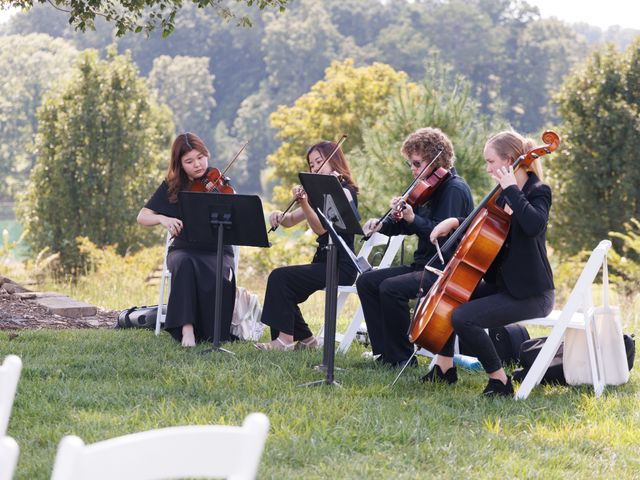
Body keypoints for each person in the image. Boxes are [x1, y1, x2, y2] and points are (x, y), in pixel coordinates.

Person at [425, 130, 555, 396]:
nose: (487, 168)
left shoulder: (537, 190)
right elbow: (485, 227)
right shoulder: (503, 194)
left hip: (531, 293)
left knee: (463, 318)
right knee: (451, 298)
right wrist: (454, 223)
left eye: (491, 162)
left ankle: (500, 381)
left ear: (509, 160)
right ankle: (444, 368)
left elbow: (534, 225)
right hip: (504, 285)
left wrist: (511, 190)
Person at [356, 127, 474, 368]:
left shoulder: (454, 189)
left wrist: (412, 219)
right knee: (367, 282)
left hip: (444, 269)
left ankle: (402, 358)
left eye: (417, 163)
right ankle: (385, 353)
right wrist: (382, 224)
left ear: (436, 160)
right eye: (410, 163)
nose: (413, 169)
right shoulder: (427, 189)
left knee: (390, 288)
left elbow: (441, 236)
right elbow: (406, 226)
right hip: (423, 265)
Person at [255, 141, 359, 351]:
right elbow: (292, 220)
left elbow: (321, 229)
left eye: (320, 162)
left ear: (335, 161)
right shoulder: (318, 194)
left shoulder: (345, 192)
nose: (315, 168)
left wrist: (305, 201)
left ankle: (284, 340)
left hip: (341, 265)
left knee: (280, 277)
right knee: (283, 282)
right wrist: (279, 216)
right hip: (324, 260)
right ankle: (308, 340)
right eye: (312, 165)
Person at [137, 132, 236, 347]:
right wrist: (163, 218)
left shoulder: (219, 183)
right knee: (184, 263)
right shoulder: (172, 186)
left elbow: (236, 218)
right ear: (180, 164)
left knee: (217, 269)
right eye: (189, 161)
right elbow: (142, 216)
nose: (198, 165)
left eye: (200, 158)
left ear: (206, 155)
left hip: (216, 250)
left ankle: (213, 330)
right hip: (183, 248)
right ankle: (187, 330)